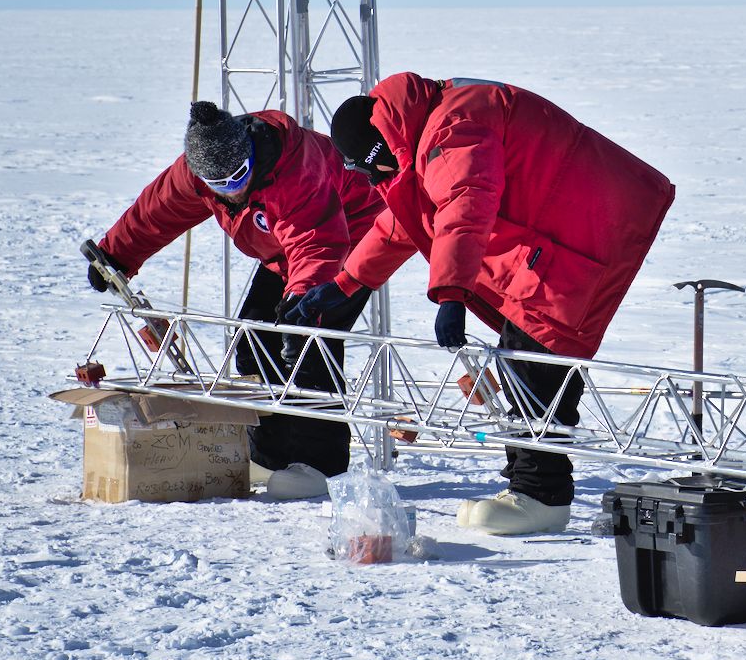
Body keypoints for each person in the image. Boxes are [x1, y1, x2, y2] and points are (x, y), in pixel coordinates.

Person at [313, 72, 674, 535]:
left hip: (589, 223)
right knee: (522, 349)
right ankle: (531, 489)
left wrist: (451, 293)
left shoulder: (452, 129)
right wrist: (346, 281)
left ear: (378, 151)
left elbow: (465, 207)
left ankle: (540, 497)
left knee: (534, 350)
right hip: (568, 224)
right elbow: (413, 217)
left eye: (368, 170)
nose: (372, 180)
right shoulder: (423, 128)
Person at [88, 101, 384, 498]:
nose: (233, 188)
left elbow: (318, 243)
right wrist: (116, 254)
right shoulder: (198, 172)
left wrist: (303, 307)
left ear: (248, 152)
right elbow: (158, 210)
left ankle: (319, 465)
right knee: (254, 343)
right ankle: (271, 456)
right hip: (284, 251)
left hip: (352, 234)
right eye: (219, 184)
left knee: (312, 343)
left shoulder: (294, 168)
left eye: (239, 176)